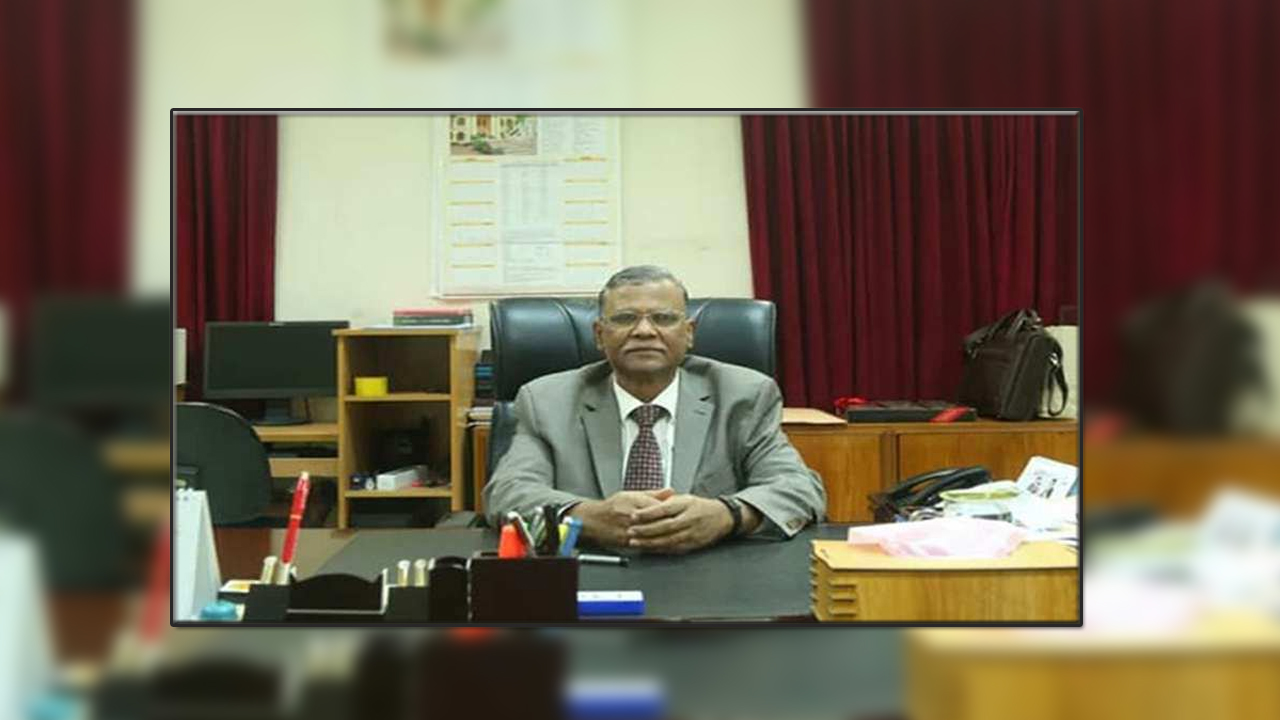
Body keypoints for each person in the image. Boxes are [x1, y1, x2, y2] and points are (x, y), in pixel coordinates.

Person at [484, 265, 826, 554]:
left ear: (689, 333)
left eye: (663, 318)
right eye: (625, 318)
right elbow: (509, 491)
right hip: (591, 571)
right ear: (600, 335)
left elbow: (798, 488)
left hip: (708, 575)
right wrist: (587, 517)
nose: (644, 331)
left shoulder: (743, 395)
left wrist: (726, 516)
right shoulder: (547, 400)